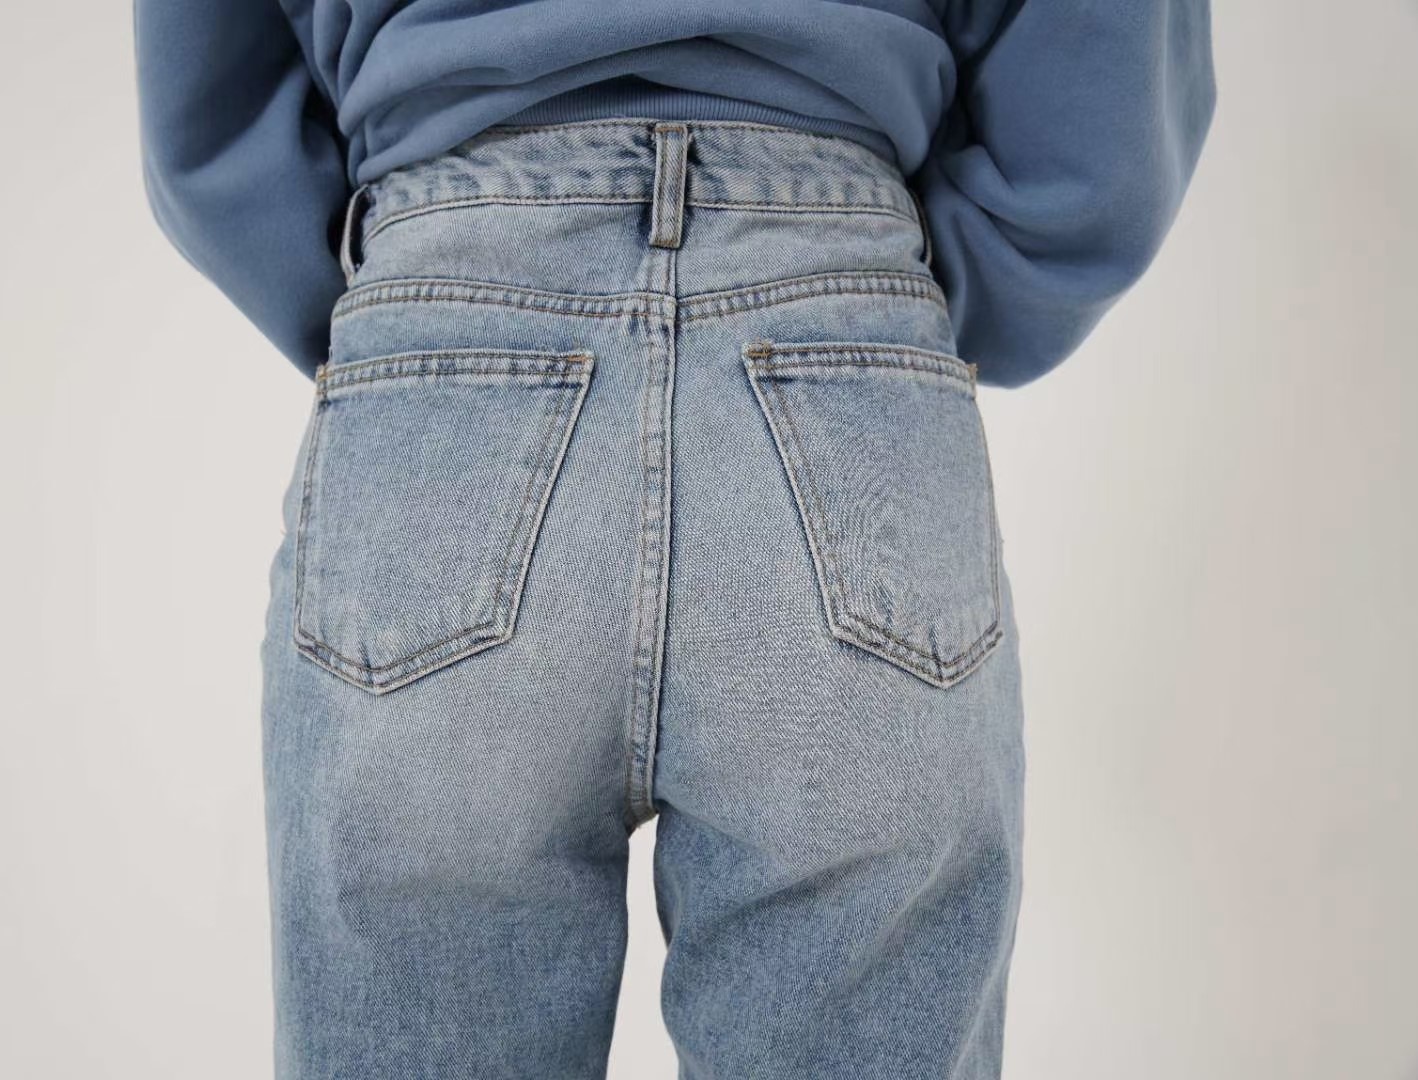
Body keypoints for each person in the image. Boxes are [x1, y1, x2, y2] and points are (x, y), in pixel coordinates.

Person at [134, 3, 1215, 1077]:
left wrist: (408, 306)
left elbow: (210, 96)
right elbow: (1097, 129)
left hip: (447, 350)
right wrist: (895, 296)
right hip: (845, 354)